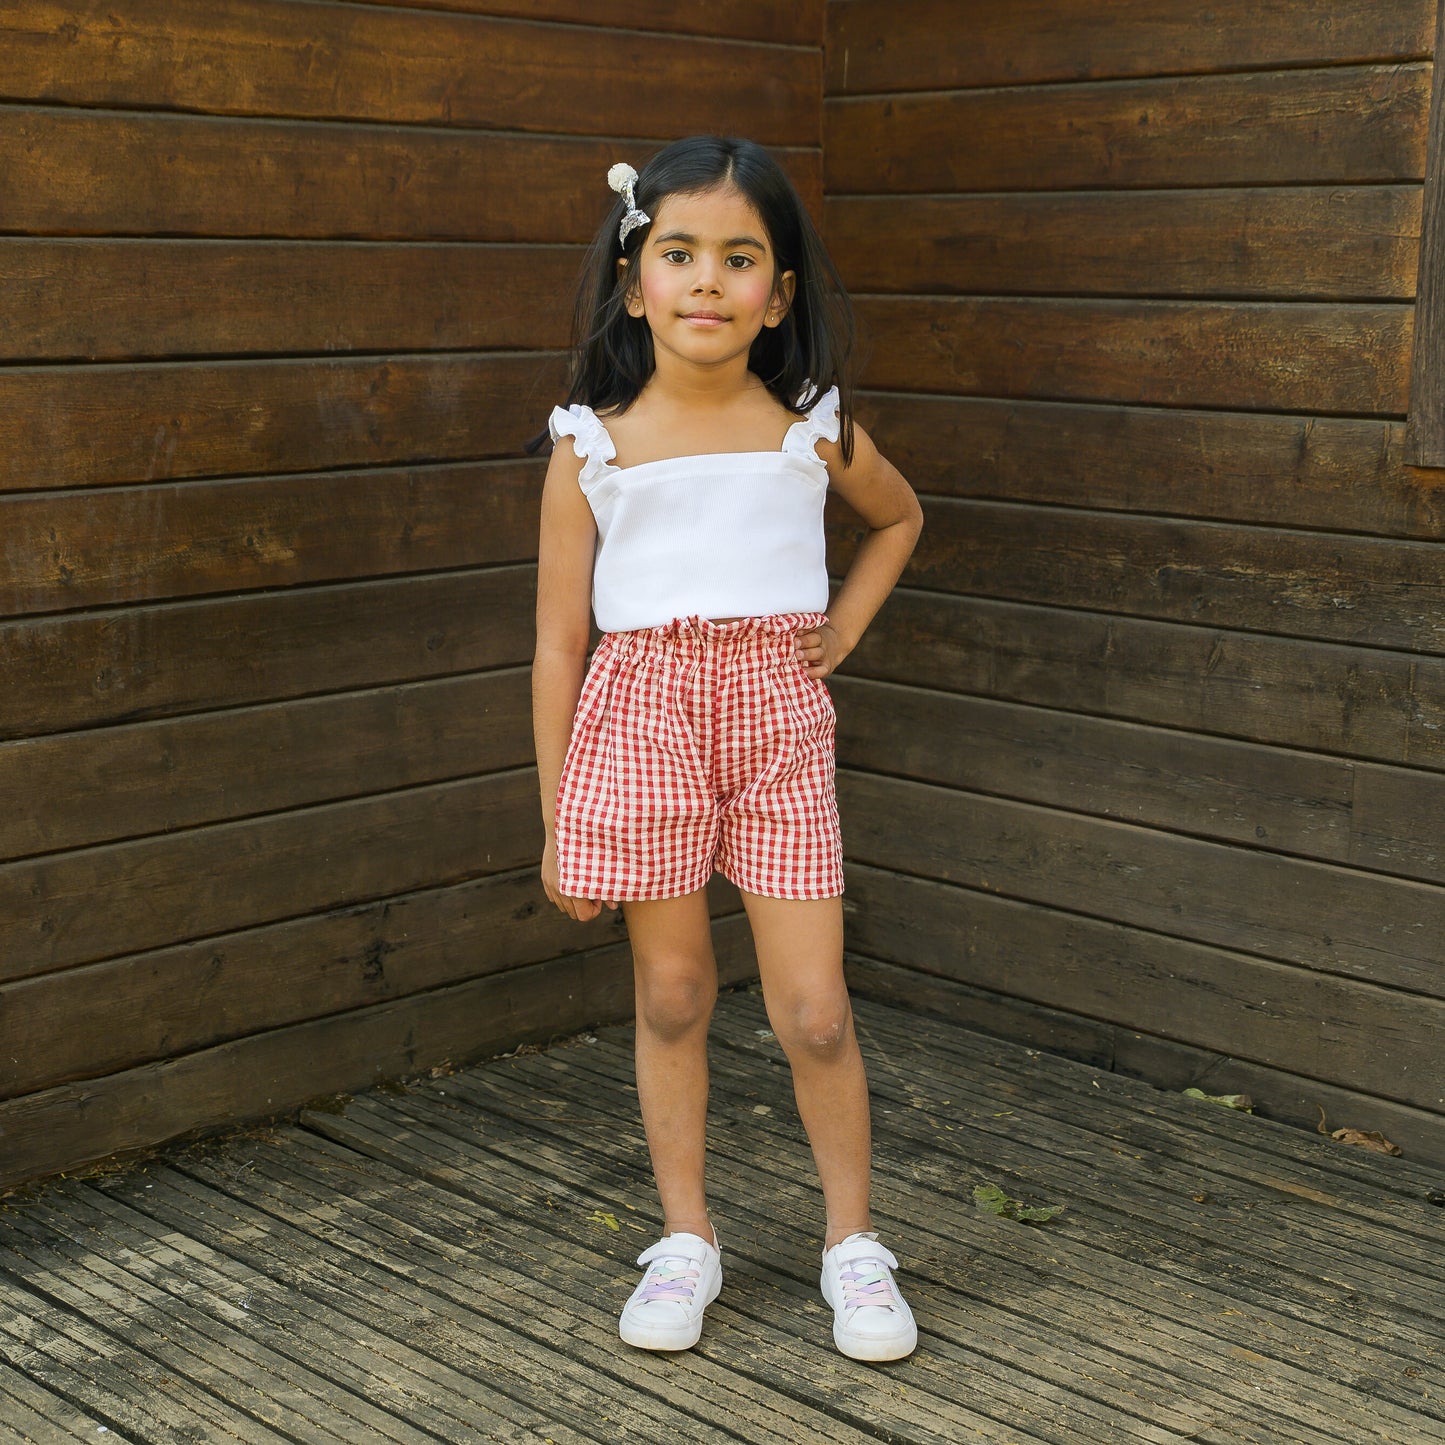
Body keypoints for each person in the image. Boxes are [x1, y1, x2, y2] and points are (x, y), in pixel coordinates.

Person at [530, 135, 923, 1362]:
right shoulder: (589, 444)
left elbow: (900, 517)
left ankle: (852, 1246)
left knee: (811, 1007)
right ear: (633, 276)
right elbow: (555, 648)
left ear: (779, 293)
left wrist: (841, 625)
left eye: (738, 258)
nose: (707, 281)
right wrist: (560, 819)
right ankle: (686, 1237)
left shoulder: (810, 427)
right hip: (642, 725)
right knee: (674, 988)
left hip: (775, 730)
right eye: (678, 253)